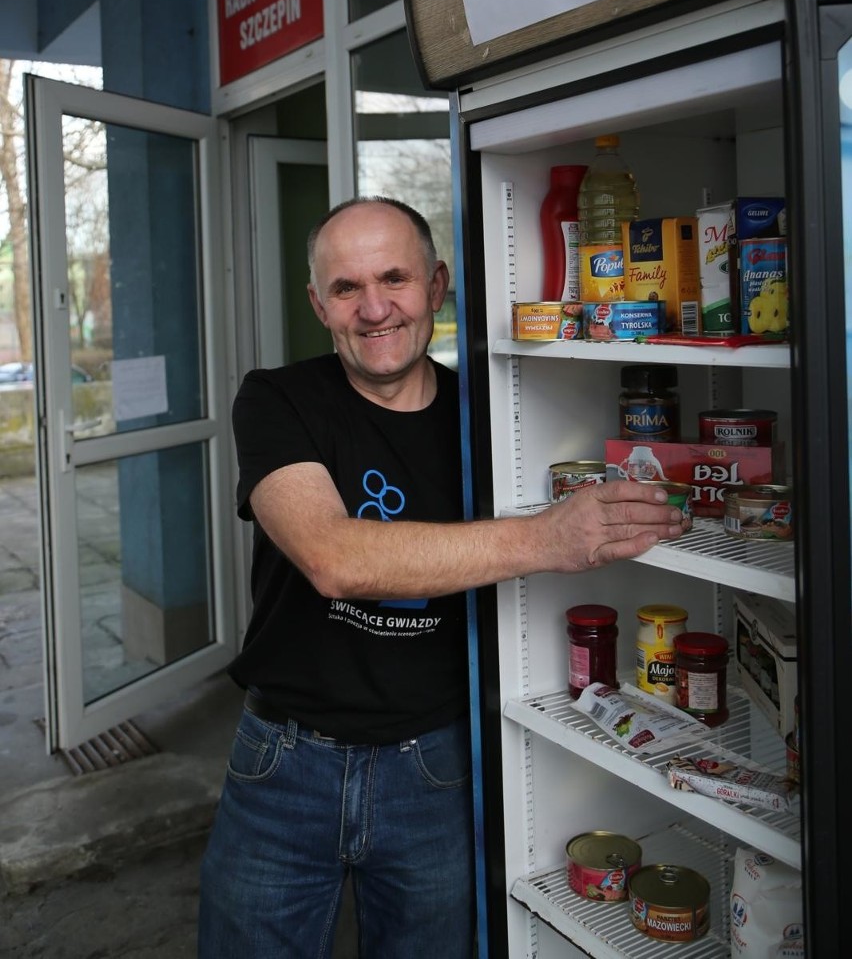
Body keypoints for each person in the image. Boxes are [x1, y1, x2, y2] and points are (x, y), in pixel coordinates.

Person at [198, 196, 686, 959]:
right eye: (347, 288)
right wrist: (549, 538)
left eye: (394, 278)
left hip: (438, 768)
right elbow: (335, 559)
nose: (375, 308)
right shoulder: (276, 398)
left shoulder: (493, 422)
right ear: (318, 305)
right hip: (284, 763)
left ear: (438, 283)